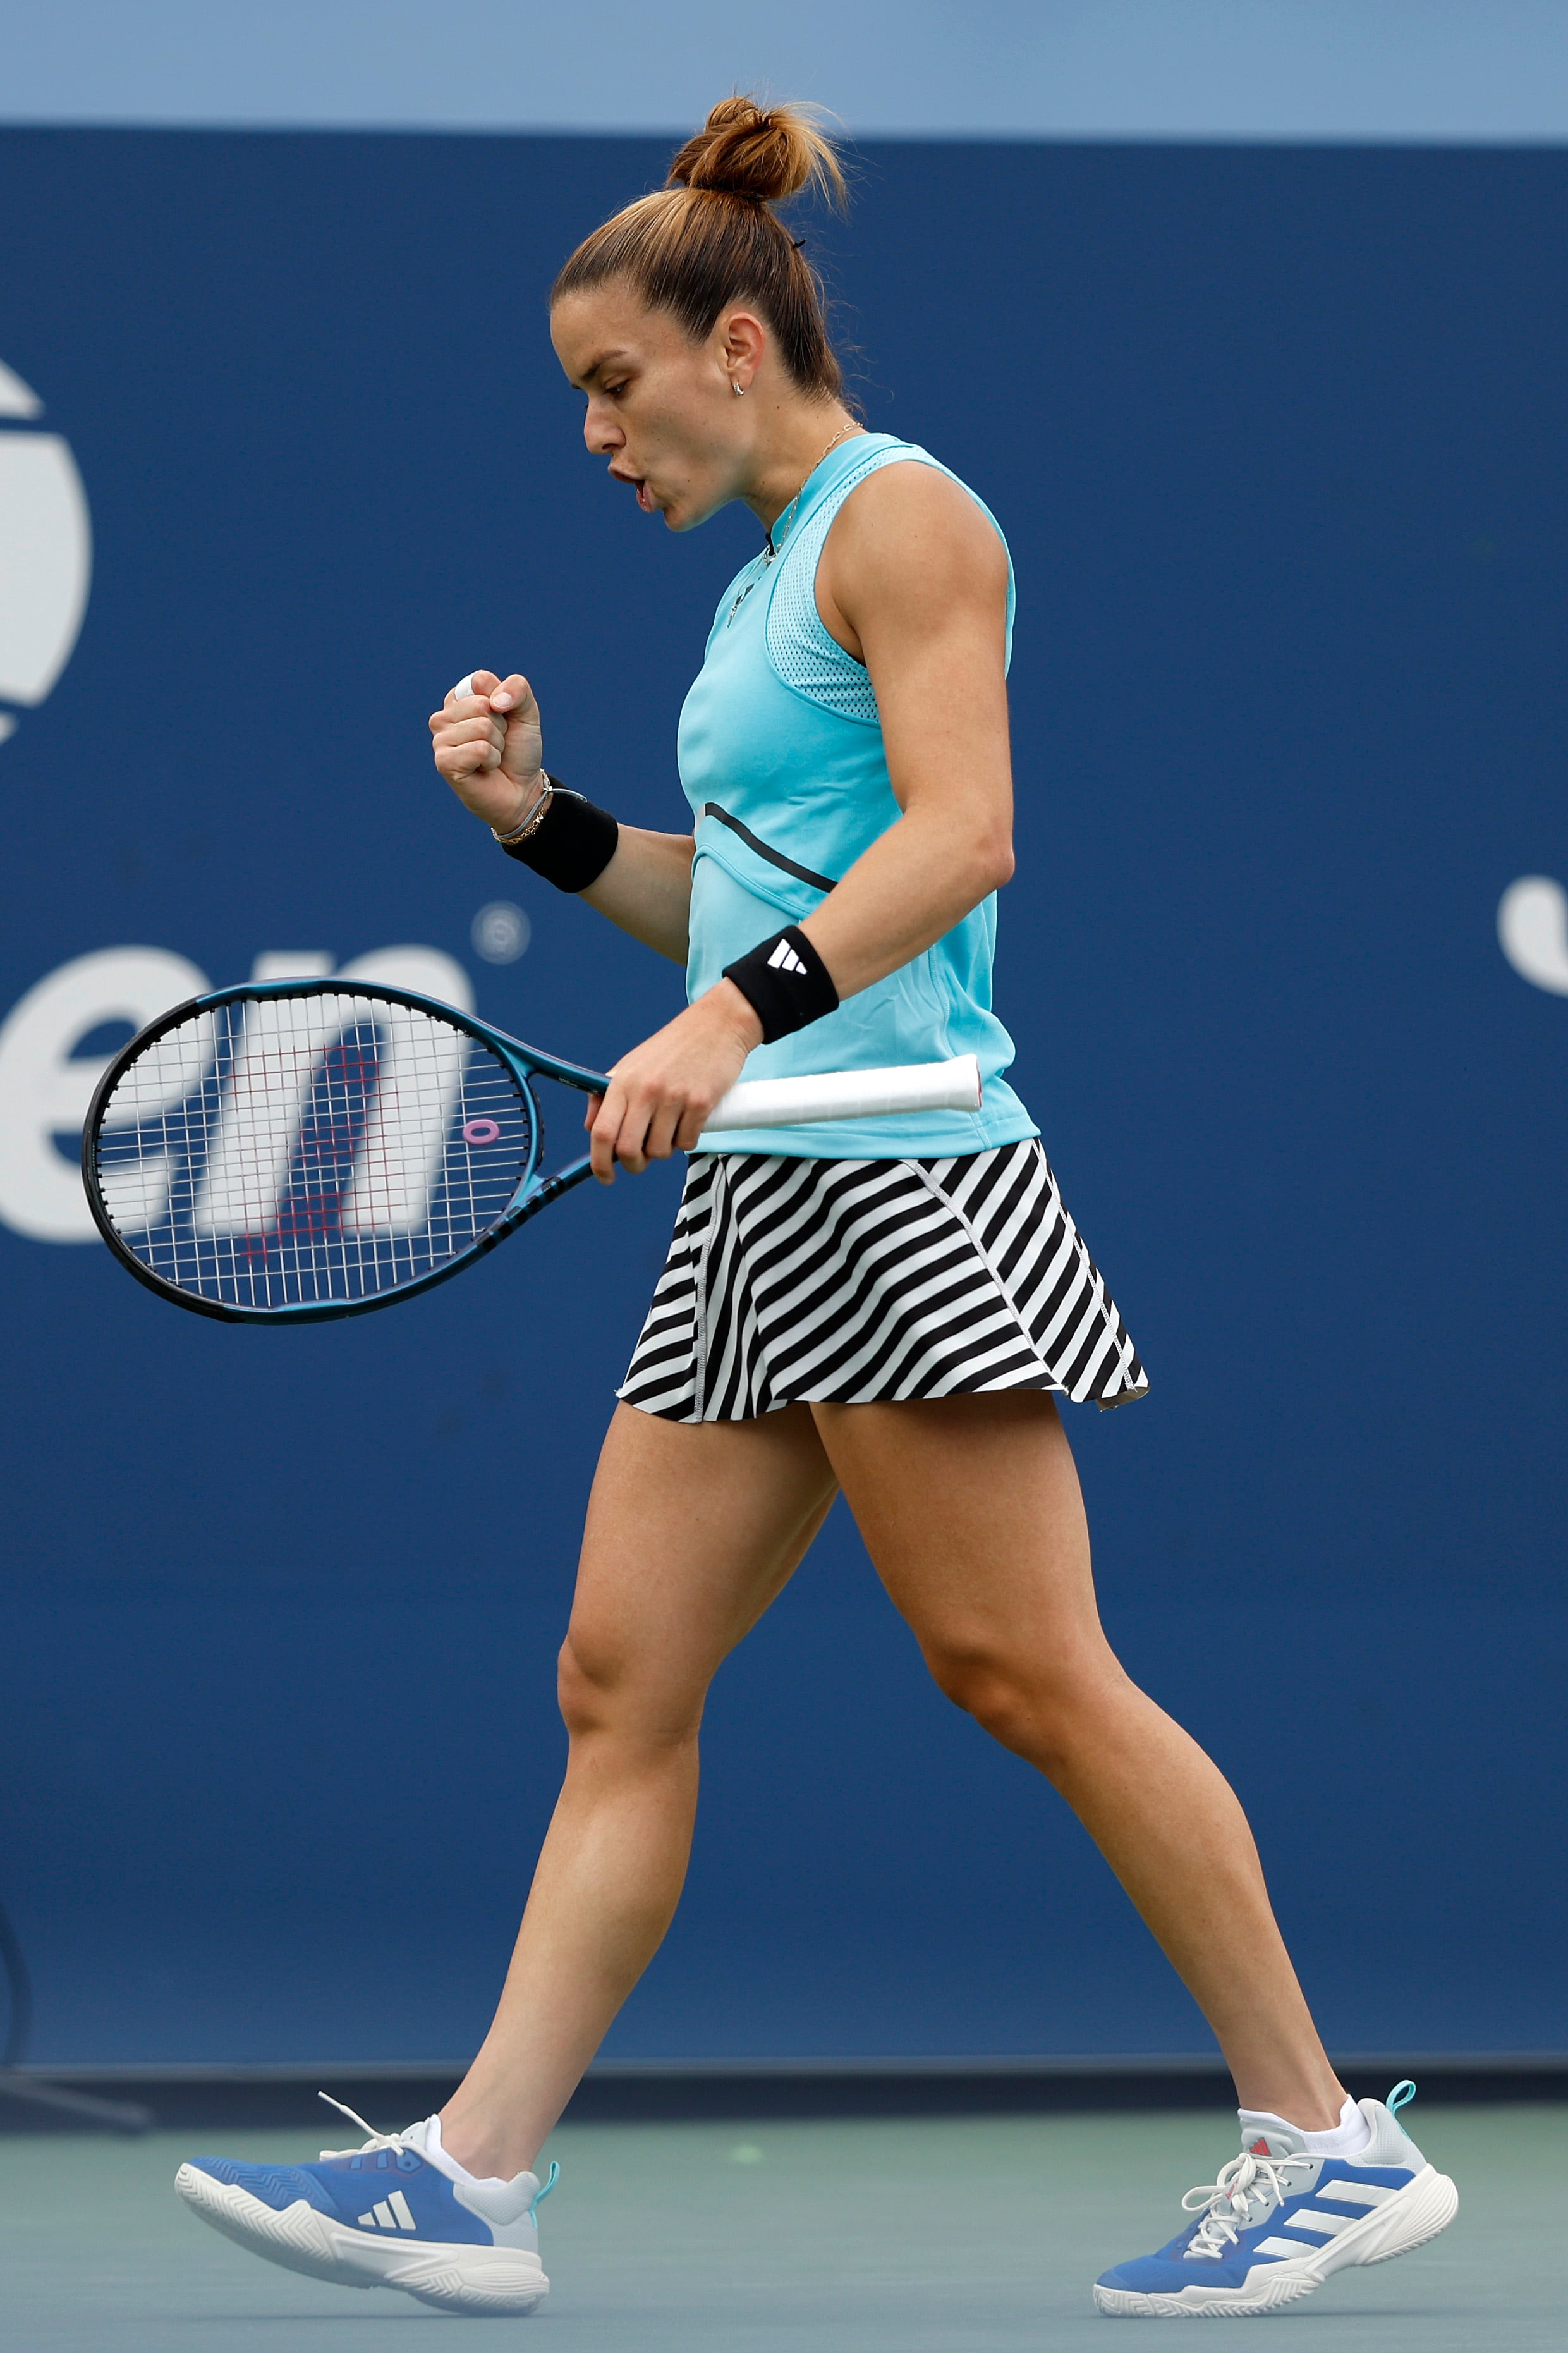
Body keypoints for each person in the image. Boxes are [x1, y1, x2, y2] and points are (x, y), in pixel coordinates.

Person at [174, 96, 1457, 2321]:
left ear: (741, 345)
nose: (593, 432)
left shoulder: (903, 519)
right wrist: (542, 825)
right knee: (616, 1676)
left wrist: (738, 1021)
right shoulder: (762, 585)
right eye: (576, 395)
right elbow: (746, 908)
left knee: (1019, 1668)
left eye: (613, 382)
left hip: (900, 1180)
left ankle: (1322, 2132)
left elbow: (961, 840)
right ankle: (476, 2174)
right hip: (764, 1194)